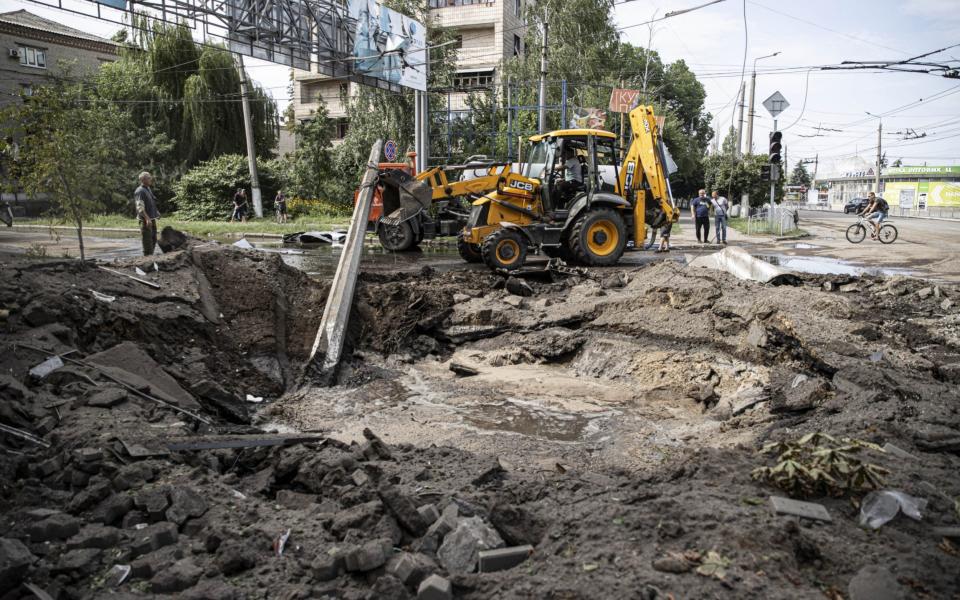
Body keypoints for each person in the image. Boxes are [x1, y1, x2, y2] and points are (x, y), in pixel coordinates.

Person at [134, 171, 160, 256]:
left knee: (153, 240)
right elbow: (140, 207)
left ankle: (151, 260)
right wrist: (147, 218)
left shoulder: (148, 189)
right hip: (146, 221)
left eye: (150, 177)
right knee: (148, 244)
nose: (151, 179)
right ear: (143, 179)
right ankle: (147, 263)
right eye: (149, 178)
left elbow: (152, 201)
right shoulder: (140, 191)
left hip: (152, 219)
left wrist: (156, 212)